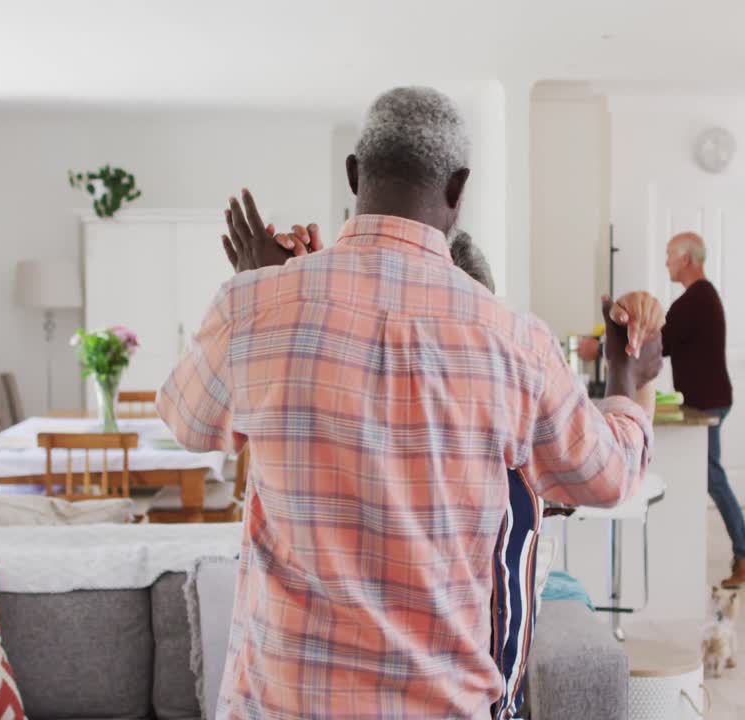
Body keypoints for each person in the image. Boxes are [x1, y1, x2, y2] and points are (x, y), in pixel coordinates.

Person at [160, 86, 665, 719]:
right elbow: (609, 476)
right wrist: (628, 378)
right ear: (458, 188)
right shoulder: (515, 342)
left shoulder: (256, 306)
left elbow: (186, 421)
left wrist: (259, 288)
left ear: (354, 175)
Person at [661, 232, 745, 589]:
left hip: (707, 402)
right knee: (709, 477)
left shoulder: (695, 299)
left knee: (712, 479)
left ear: (686, 259)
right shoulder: (700, 297)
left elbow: (660, 343)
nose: (666, 262)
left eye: (670, 254)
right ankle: (742, 553)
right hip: (709, 399)